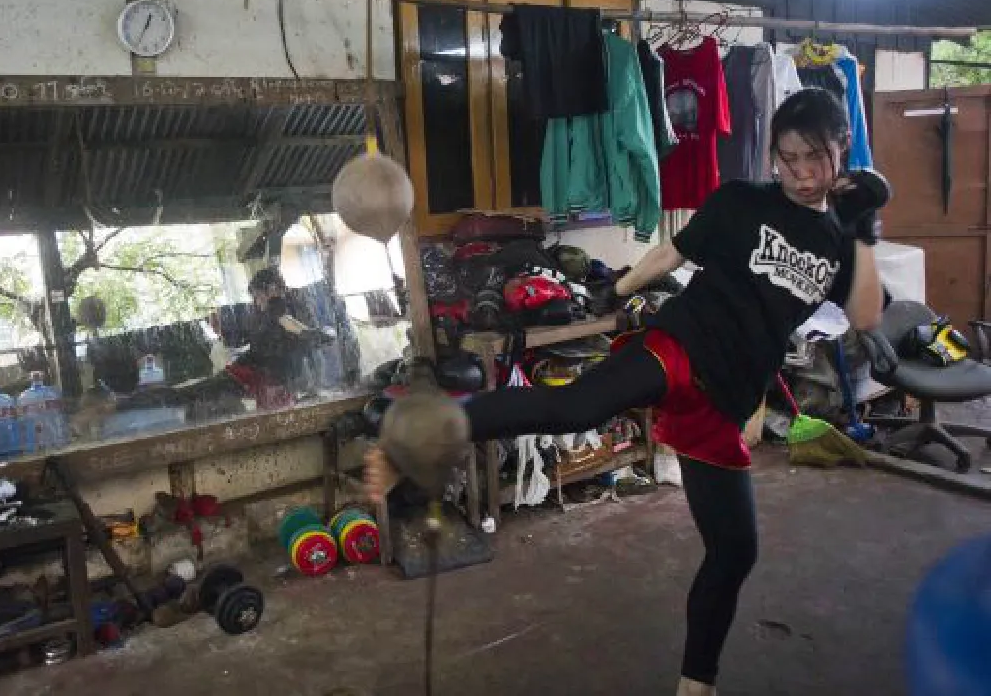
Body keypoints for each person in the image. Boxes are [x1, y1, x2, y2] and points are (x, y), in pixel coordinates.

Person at [364, 88, 889, 696]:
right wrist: (617, 288)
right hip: (682, 348)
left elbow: (868, 315)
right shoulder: (742, 201)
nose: (799, 173)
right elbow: (671, 251)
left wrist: (866, 232)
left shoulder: (840, 240)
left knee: (735, 549)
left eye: (815, 159)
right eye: (787, 158)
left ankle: (697, 684)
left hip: (725, 400)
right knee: (571, 407)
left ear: (841, 150)